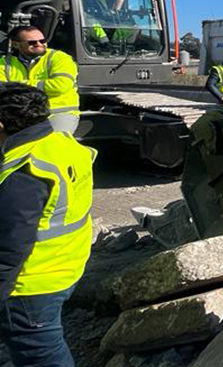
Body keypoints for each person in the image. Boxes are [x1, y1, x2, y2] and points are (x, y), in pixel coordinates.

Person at [0, 83, 96, 366]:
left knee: (42, 355)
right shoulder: (63, 144)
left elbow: (9, 246)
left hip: (29, 285)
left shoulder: (25, 170)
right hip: (65, 266)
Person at [1, 26, 80, 135]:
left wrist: (19, 85)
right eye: (32, 42)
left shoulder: (60, 58)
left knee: (52, 144)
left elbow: (61, 86)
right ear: (16, 44)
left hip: (57, 113)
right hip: (18, 116)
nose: (39, 44)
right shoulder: (4, 62)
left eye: (42, 41)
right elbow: (2, 88)